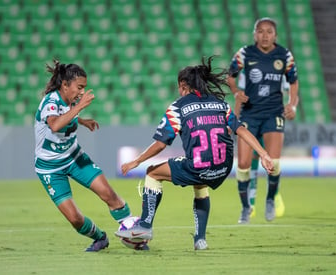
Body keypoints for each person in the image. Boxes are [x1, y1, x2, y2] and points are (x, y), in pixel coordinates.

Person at [115, 55, 274, 250]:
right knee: (200, 184)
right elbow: (241, 130)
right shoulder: (220, 104)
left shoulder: (178, 107)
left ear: (183, 84)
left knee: (153, 173)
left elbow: (161, 143)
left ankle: (144, 226)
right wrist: (264, 153)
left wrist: (136, 161)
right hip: (223, 167)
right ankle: (200, 240)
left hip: (198, 164)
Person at [34, 60, 132, 252]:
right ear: (64, 85)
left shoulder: (70, 101)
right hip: (50, 168)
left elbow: (68, 114)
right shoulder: (50, 102)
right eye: (79, 87)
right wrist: (79, 109)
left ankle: (134, 234)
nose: (81, 92)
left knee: (109, 194)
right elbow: (54, 125)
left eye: (84, 88)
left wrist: (82, 120)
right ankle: (100, 238)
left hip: (74, 157)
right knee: (75, 219)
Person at [227, 17, 299, 224]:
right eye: (260, 31)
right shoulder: (244, 53)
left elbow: (294, 82)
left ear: (275, 35)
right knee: (242, 164)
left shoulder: (284, 55)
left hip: (273, 113)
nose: (265, 35)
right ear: (254, 34)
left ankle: (269, 199)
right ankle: (245, 208)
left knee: (273, 162)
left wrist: (292, 104)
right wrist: (236, 92)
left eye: (269, 31)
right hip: (249, 113)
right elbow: (230, 76)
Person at [235, 71, 287, 219]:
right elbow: (240, 95)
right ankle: (250, 205)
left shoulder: (278, 72)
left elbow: (282, 96)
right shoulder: (248, 71)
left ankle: (274, 195)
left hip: (269, 119)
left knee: (269, 159)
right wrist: (236, 119)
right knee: (248, 161)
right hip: (251, 118)